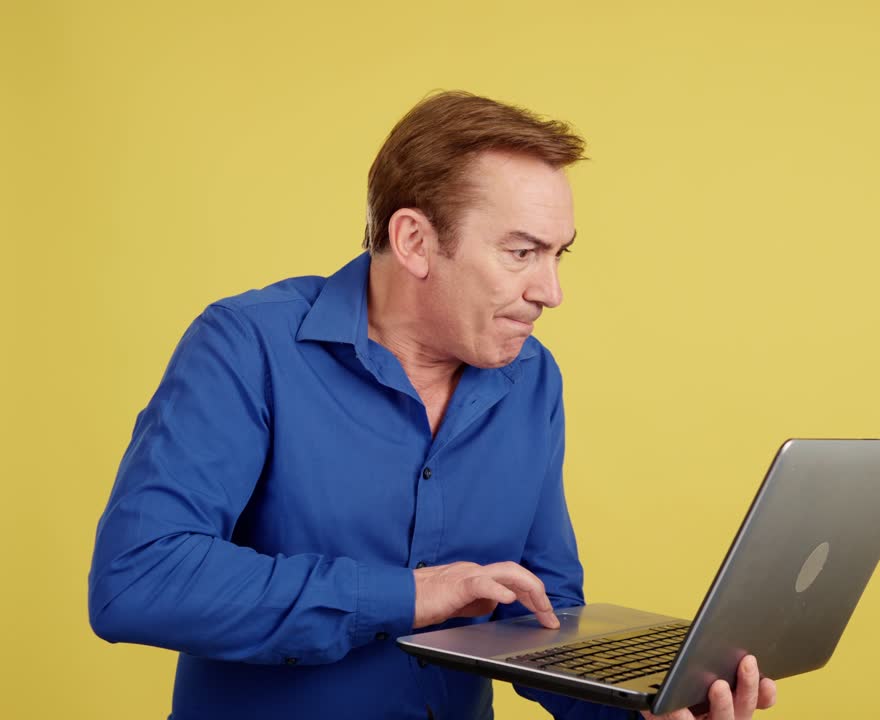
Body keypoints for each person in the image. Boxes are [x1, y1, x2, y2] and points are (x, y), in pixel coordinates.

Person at [88, 91, 777, 720]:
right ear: (415, 241)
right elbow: (138, 577)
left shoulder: (533, 379)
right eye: (522, 253)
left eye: (559, 254)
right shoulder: (247, 347)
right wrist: (412, 595)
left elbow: (542, 612)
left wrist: (642, 707)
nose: (552, 290)